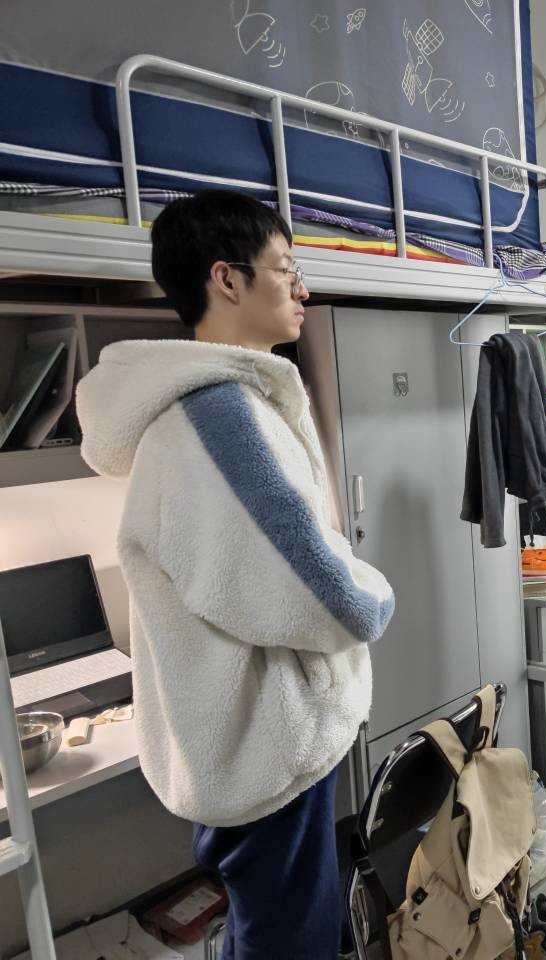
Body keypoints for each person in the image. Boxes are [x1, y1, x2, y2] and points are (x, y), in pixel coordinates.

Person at [77, 190, 395, 959]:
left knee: (272, 927)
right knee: (289, 942)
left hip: (250, 742)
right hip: (264, 750)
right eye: (285, 269)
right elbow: (325, 594)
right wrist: (376, 593)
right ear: (227, 279)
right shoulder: (220, 420)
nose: (302, 288)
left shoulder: (216, 407)